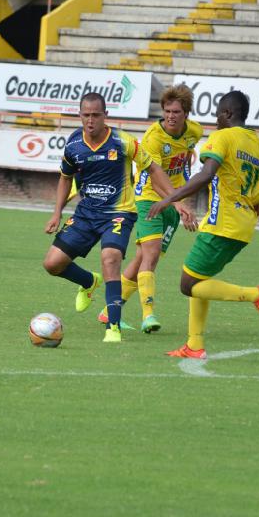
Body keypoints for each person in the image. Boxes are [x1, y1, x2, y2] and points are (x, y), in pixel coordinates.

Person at [148, 90, 259, 359]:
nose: (215, 120)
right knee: (199, 278)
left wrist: (170, 198)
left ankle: (257, 295)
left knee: (187, 285)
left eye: (217, 115)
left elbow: (206, 175)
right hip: (244, 227)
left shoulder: (223, 137)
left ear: (227, 113)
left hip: (221, 223)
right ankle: (194, 345)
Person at [43, 92, 179, 343]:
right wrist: (57, 212)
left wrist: (175, 199)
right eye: (86, 115)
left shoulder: (122, 141)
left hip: (119, 213)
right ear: (79, 115)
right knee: (52, 264)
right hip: (86, 213)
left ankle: (113, 326)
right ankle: (89, 282)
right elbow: (65, 178)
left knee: (110, 258)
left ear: (105, 115)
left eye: (96, 115)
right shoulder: (73, 144)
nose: (90, 120)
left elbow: (152, 168)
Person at [96, 85, 199, 333]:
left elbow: (185, 162)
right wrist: (179, 203)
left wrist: (181, 198)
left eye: (176, 112)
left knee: (142, 257)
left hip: (172, 201)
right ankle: (148, 315)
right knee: (151, 256)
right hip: (148, 198)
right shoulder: (153, 138)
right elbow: (155, 178)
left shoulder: (194, 132)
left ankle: (109, 312)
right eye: (167, 111)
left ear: (186, 113)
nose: (170, 116)